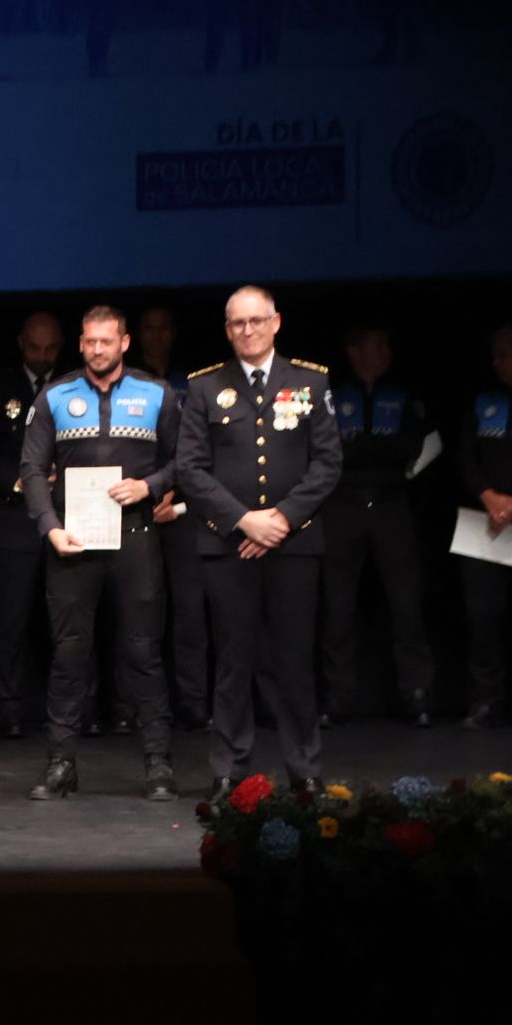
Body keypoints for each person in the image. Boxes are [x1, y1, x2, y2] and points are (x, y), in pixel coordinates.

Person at [176, 286, 341, 798]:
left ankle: (305, 768)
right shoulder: (205, 387)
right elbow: (189, 468)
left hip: (294, 543)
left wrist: (281, 520)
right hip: (228, 545)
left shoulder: (311, 381)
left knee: (294, 658)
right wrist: (245, 521)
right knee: (233, 658)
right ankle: (228, 767)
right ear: (227, 330)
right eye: (236, 323)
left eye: (255, 321)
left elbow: (328, 462)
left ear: (276, 323)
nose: (247, 331)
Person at [19, 306, 180, 801]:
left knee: (142, 652)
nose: (96, 350)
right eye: (89, 341)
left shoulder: (157, 393)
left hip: (135, 536)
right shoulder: (55, 395)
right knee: (69, 654)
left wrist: (150, 485)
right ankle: (61, 762)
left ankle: (157, 764)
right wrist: (49, 528)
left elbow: (186, 461)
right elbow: (30, 469)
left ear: (125, 342)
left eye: (105, 341)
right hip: (75, 539)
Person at [320, 326, 435, 726]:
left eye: (387, 345)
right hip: (343, 507)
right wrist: (371, 451)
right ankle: (339, 697)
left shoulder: (403, 393)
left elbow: (411, 447)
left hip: (391, 506)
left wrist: (360, 448)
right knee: (338, 607)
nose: (384, 352)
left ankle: (416, 694)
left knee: (406, 604)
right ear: (354, 351)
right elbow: (326, 451)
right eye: (376, 345)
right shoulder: (333, 392)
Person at [0, 312, 62, 738]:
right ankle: (7, 709)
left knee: (66, 622)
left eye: (50, 349)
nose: (43, 358)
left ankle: (71, 709)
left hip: (67, 516)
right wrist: (21, 482)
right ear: (20, 344)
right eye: (34, 348)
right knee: (9, 623)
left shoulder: (72, 388)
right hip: (12, 518)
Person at [137, 306, 211, 730]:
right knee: (139, 615)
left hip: (184, 510)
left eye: (164, 327)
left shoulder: (195, 383)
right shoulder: (131, 384)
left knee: (190, 614)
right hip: (138, 506)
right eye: (149, 327)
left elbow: (204, 452)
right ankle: (136, 708)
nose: (157, 335)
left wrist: (179, 501)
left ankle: (193, 703)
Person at [455, 323, 512, 729]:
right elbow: (465, 454)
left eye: (506, 355)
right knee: (483, 617)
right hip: (486, 525)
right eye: (495, 356)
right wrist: (489, 496)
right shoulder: (484, 401)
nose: (497, 363)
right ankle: (486, 702)